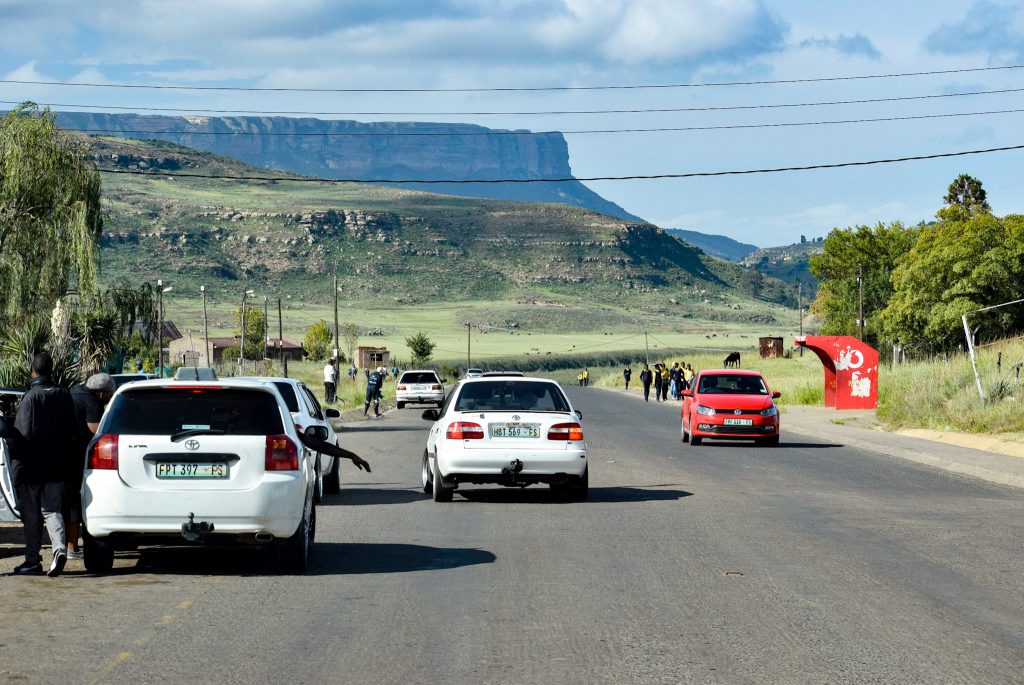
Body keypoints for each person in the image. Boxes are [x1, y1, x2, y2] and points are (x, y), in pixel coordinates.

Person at [11, 353, 76, 576]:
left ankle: (32, 560)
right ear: (51, 370)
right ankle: (59, 549)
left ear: (33, 371)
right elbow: (72, 431)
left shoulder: (30, 398)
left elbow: (23, 435)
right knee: (52, 510)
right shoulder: (64, 395)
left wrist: (16, 471)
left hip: (33, 469)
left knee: (31, 515)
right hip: (58, 467)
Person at [65, 372, 116, 560]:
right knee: (76, 503)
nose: (111, 397)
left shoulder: (76, 390)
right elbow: (98, 433)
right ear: (101, 393)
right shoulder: (92, 403)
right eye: (110, 394)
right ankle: (72, 547)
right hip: (76, 458)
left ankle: (66, 546)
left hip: (63, 454)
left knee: (67, 501)